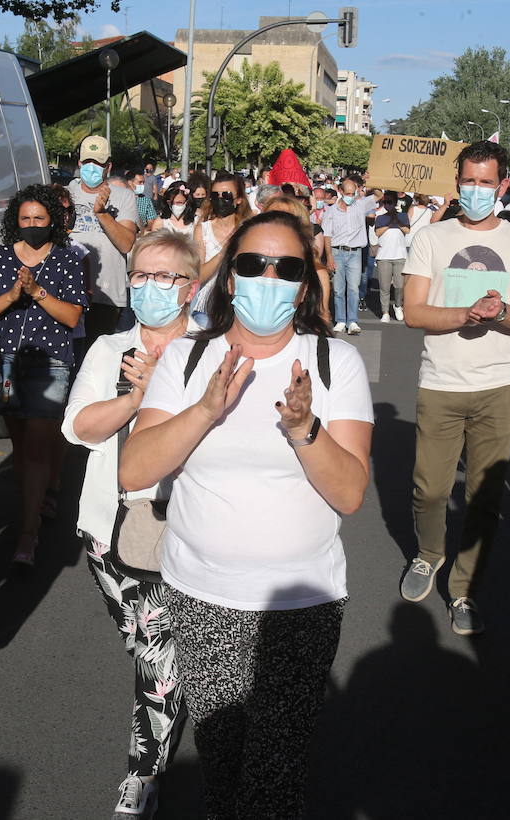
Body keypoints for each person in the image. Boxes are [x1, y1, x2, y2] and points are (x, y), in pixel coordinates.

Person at [119, 212, 373, 819]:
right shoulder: (186, 358)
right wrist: (205, 410)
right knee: (223, 770)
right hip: (201, 597)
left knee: (272, 784)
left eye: (286, 267)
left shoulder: (335, 364)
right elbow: (134, 471)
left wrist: (304, 429)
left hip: (299, 609)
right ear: (229, 276)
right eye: (253, 263)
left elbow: (350, 494)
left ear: (305, 285)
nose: (268, 277)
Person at [63, 230, 201, 819]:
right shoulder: (108, 349)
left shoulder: (210, 353)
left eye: (164, 277)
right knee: (152, 649)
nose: (148, 287)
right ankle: (169, 708)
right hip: (111, 528)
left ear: (190, 288)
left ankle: (142, 774)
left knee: (158, 654)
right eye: (140, 275)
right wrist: (134, 396)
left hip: (190, 525)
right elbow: (78, 428)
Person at [400, 141, 510, 634]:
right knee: (430, 488)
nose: (476, 190)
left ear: (504, 186)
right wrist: (466, 314)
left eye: (487, 182)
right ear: (456, 181)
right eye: (469, 180)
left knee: (485, 497)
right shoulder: (431, 238)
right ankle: (429, 554)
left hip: (498, 387)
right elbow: (414, 312)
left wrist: (500, 311)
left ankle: (464, 589)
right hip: (440, 383)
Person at [0, 184, 86, 566]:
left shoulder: (68, 259)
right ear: (15, 221)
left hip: (50, 360)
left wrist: (36, 291)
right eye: (25, 218)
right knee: (20, 447)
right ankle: (40, 496)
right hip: (6, 361)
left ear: (52, 220)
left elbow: (72, 316)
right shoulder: (0, 257)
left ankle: (27, 533)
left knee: (38, 445)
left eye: (39, 218)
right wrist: (11, 294)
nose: (33, 224)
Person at [68, 137, 139, 343]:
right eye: (87, 162)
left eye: (98, 163)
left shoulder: (124, 196)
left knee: (95, 361)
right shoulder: (66, 194)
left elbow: (126, 243)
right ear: (80, 164)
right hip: (67, 293)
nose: (92, 167)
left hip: (105, 296)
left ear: (108, 166)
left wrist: (102, 213)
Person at [190, 171, 254, 326]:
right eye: (214, 195)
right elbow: (199, 274)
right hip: (206, 307)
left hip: (239, 304)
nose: (220, 200)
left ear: (238, 199)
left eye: (225, 195)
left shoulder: (248, 229)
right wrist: (224, 252)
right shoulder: (202, 229)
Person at [264, 194, 333, 324]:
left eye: (285, 218)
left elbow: (322, 316)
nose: (278, 224)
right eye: (271, 217)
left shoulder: (317, 272)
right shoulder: (249, 263)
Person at [324, 175, 371, 334]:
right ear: (340, 191)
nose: (351, 197)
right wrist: (329, 256)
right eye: (348, 194)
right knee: (338, 289)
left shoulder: (360, 206)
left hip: (355, 253)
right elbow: (327, 235)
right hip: (337, 252)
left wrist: (369, 181)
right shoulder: (331, 211)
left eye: (353, 194)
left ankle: (352, 320)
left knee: (353, 288)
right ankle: (340, 320)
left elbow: (378, 195)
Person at [374, 197, 411, 322]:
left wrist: (397, 221)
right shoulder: (380, 217)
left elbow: (407, 230)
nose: (389, 205)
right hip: (384, 256)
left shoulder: (403, 216)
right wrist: (389, 223)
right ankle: (385, 312)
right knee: (384, 286)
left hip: (400, 255)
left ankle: (398, 306)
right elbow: (378, 232)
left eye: (391, 203)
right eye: (387, 203)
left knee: (400, 285)